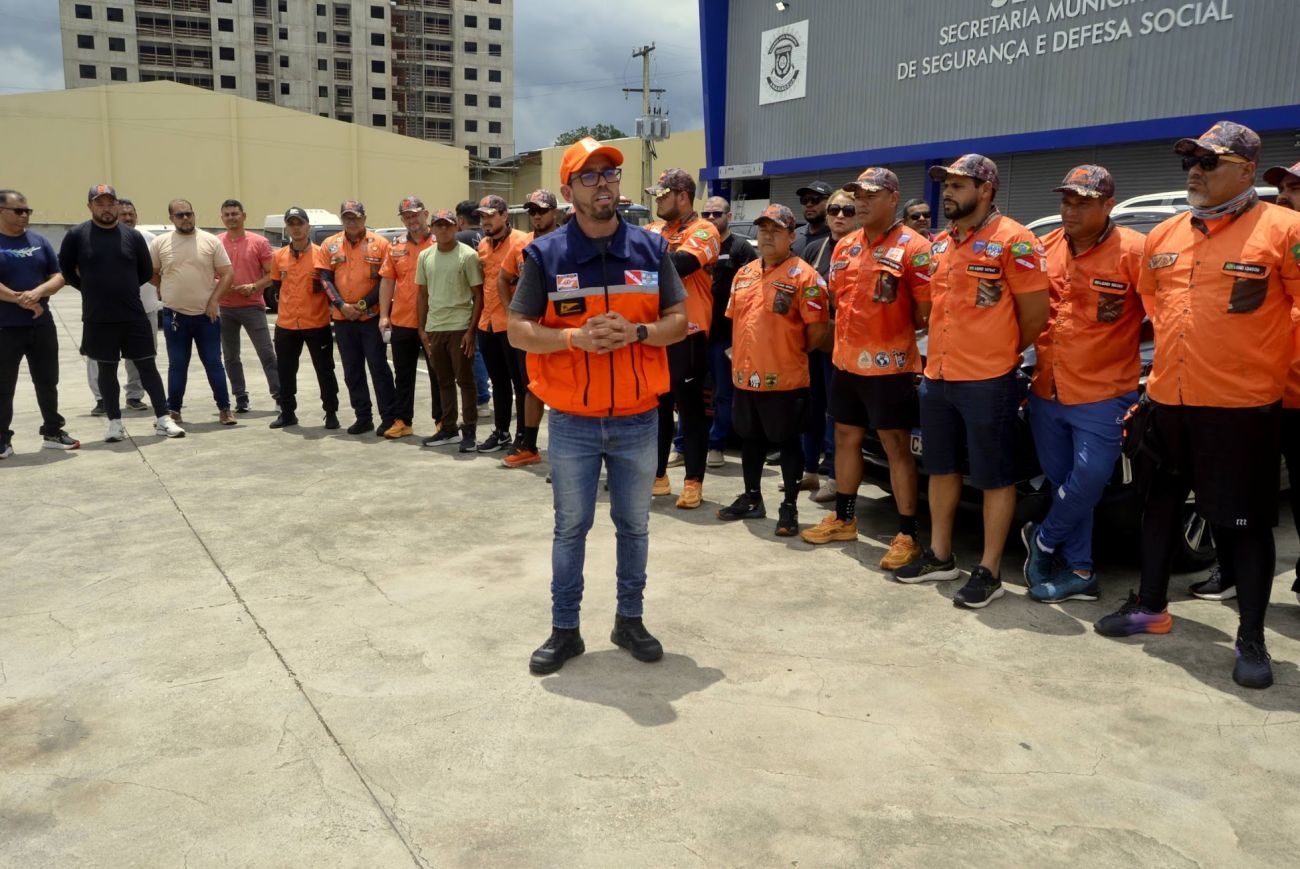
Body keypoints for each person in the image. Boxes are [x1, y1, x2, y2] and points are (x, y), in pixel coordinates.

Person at [1094, 122, 1300, 690]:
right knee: (1158, 508)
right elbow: (1153, 303)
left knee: (1245, 525)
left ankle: (1252, 638)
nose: (1196, 171)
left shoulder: (1284, 229)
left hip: (1240, 409)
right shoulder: (1163, 235)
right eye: (1192, 161)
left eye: (1210, 162)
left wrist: (1263, 364)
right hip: (1167, 400)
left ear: (1247, 170)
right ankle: (1151, 606)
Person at [506, 136, 688, 675]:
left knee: (634, 526)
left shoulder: (651, 250)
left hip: (638, 417)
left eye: (609, 173)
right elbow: (518, 330)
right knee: (571, 528)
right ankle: (565, 630)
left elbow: (679, 323)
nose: (603, 182)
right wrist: (573, 339)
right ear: (568, 192)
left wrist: (638, 331)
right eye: (589, 175)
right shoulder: (544, 256)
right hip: (573, 422)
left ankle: (629, 621)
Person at [893, 155, 1050, 609]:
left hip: (988, 380)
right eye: (946, 185)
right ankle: (940, 555)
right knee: (940, 468)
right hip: (938, 376)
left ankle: (990, 570)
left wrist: (998, 352)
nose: (947, 192)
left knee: (993, 476)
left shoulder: (1015, 241)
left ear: (985, 190)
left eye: (958, 185)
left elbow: (1035, 316)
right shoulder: (941, 243)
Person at [1020, 166, 1144, 603]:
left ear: (1108, 205)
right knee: (1064, 482)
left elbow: (1164, 318)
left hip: (1104, 392)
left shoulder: (1134, 251)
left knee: (1089, 478)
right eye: (1066, 201)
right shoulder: (1045, 247)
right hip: (1046, 389)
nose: (1070, 211)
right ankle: (1080, 570)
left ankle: (1044, 539)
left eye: (1083, 203)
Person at [799, 168, 931, 572]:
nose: (861, 202)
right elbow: (836, 300)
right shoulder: (845, 245)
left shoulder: (915, 247)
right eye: (858, 195)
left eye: (871, 195)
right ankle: (844, 518)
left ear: (893, 199)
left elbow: (926, 312)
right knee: (845, 438)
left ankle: (907, 534)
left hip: (889, 367)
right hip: (845, 361)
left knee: (895, 447)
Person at [716, 204, 830, 537]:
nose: (767, 236)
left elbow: (817, 332)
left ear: (791, 236)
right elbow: (736, 320)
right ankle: (752, 498)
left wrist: (786, 351)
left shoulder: (806, 277)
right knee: (750, 439)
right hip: (746, 376)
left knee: (787, 442)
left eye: (776, 230)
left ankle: (789, 506)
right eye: (763, 230)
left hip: (785, 379)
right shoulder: (745, 273)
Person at [59, 184, 184, 442]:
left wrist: (121, 288)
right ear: (90, 206)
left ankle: (163, 419)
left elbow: (144, 271)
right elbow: (68, 271)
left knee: (147, 366)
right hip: (98, 317)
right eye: (100, 204)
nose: (106, 209)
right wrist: (91, 289)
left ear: (117, 205)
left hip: (133, 315)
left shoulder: (132, 237)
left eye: (110, 203)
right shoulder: (76, 235)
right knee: (107, 371)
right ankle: (115, 423)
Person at [645, 168, 721, 509]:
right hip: (655, 331)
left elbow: (682, 263)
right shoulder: (653, 230)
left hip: (689, 331)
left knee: (690, 409)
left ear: (683, 196)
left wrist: (642, 258)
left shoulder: (704, 230)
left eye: (663, 195)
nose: (658, 201)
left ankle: (693, 481)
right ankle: (658, 475)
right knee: (657, 406)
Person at [0, 188, 78, 456]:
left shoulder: (39, 241)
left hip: (41, 325)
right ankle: (2, 438)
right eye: (18, 210)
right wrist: (20, 299)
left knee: (47, 380)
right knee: (3, 385)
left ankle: (53, 431)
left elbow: (58, 276)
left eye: (27, 211)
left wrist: (38, 293)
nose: (25, 215)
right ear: (2, 212)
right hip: (5, 327)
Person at [792, 188, 857, 503]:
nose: (840, 216)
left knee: (836, 411)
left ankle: (834, 474)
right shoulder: (813, 249)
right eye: (834, 210)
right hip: (815, 340)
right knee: (811, 405)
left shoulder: (859, 249)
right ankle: (809, 470)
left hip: (845, 344)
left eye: (848, 210)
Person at [151, 199, 237, 425]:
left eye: (188, 214)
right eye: (180, 215)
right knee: (177, 364)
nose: (185, 218)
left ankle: (225, 409)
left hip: (207, 316)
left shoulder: (210, 241)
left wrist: (214, 301)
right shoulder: (160, 243)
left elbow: (227, 273)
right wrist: (165, 287)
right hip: (175, 315)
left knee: (213, 362)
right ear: (171, 218)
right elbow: (151, 272)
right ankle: (173, 410)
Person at [315, 199, 397, 436]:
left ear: (364, 218)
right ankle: (363, 417)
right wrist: (342, 305)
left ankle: (389, 418)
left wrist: (361, 305)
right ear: (342, 219)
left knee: (378, 368)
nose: (351, 222)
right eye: (347, 218)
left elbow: (385, 280)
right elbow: (324, 279)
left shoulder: (380, 244)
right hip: (343, 319)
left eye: (356, 217)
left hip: (371, 317)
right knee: (352, 370)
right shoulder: (330, 245)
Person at [497, 188, 560, 467]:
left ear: (554, 212)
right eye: (532, 211)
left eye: (541, 211)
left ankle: (564, 453)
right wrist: (513, 312)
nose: (536, 216)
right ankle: (529, 446)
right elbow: (503, 278)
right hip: (532, 331)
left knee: (562, 389)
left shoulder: (567, 241)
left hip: (560, 328)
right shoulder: (521, 244)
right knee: (530, 386)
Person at [416, 208, 484, 452]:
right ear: (432, 228)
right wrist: (421, 328)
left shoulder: (468, 255)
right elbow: (422, 295)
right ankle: (448, 428)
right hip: (435, 327)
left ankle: (470, 431)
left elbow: (478, 295)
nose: (444, 229)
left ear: (456, 227)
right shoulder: (425, 256)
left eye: (448, 225)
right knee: (443, 380)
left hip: (460, 327)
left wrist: (471, 331)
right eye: (439, 225)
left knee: (465, 380)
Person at [1263, 160, 1300, 603]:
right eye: (1283, 187)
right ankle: (1231, 570)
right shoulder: (1272, 246)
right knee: (1246, 495)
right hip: (1261, 395)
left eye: (1296, 188)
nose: (1284, 195)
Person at [267, 207, 339, 430]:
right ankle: (288, 413)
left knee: (325, 370)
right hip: (287, 324)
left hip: (316, 323)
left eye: (300, 223)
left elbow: (329, 286)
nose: (296, 228)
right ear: (287, 228)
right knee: (285, 371)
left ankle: (331, 412)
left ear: (308, 226)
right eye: (292, 224)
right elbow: (277, 286)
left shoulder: (321, 254)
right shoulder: (278, 257)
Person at [699, 195, 757, 467]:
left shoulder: (741, 248)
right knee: (687, 392)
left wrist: (740, 338)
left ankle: (716, 446)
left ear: (729, 217)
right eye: (706, 214)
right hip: (696, 333)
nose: (711, 218)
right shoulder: (697, 246)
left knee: (723, 394)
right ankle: (683, 446)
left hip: (725, 336)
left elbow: (754, 292)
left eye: (717, 214)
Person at [87, 197, 154, 416]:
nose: (127, 217)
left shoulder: (149, 239)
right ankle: (102, 399)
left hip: (145, 310)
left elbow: (150, 271)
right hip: (104, 312)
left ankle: (134, 395)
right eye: (123, 214)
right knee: (100, 358)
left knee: (142, 359)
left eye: (131, 214)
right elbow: (72, 270)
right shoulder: (92, 237)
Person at [378, 196, 438, 439]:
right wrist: (384, 315)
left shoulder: (439, 242)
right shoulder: (396, 246)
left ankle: (442, 420)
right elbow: (387, 281)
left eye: (415, 214)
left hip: (435, 321)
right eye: (406, 216)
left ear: (425, 214)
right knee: (403, 374)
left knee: (438, 373)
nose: (411, 220)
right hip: (402, 320)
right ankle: (403, 421)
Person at [474, 194, 529, 452]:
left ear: (504, 215)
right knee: (498, 382)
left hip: (512, 324)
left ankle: (523, 435)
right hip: (488, 324)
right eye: (482, 217)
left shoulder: (521, 241)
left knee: (520, 383)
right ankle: (501, 431)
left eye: (490, 215)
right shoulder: (482, 246)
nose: (485, 221)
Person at [217, 198, 279, 414]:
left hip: (252, 306)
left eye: (235, 214)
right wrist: (220, 286)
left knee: (267, 353)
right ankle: (241, 397)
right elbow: (209, 274)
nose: (231, 218)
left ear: (243, 216)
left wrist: (254, 286)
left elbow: (272, 274)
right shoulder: (216, 242)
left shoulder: (259, 242)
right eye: (227, 215)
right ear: (222, 218)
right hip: (225, 307)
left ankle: (280, 396)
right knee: (230, 356)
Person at [456, 198, 493, 407]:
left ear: (460, 220)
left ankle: (481, 399)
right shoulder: (489, 236)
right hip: (493, 299)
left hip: (470, 300)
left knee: (474, 350)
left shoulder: (458, 239)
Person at [792, 181, 833, 260]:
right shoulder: (794, 235)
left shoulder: (836, 237)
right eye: (804, 200)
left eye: (815, 200)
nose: (809, 204)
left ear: (830, 202)